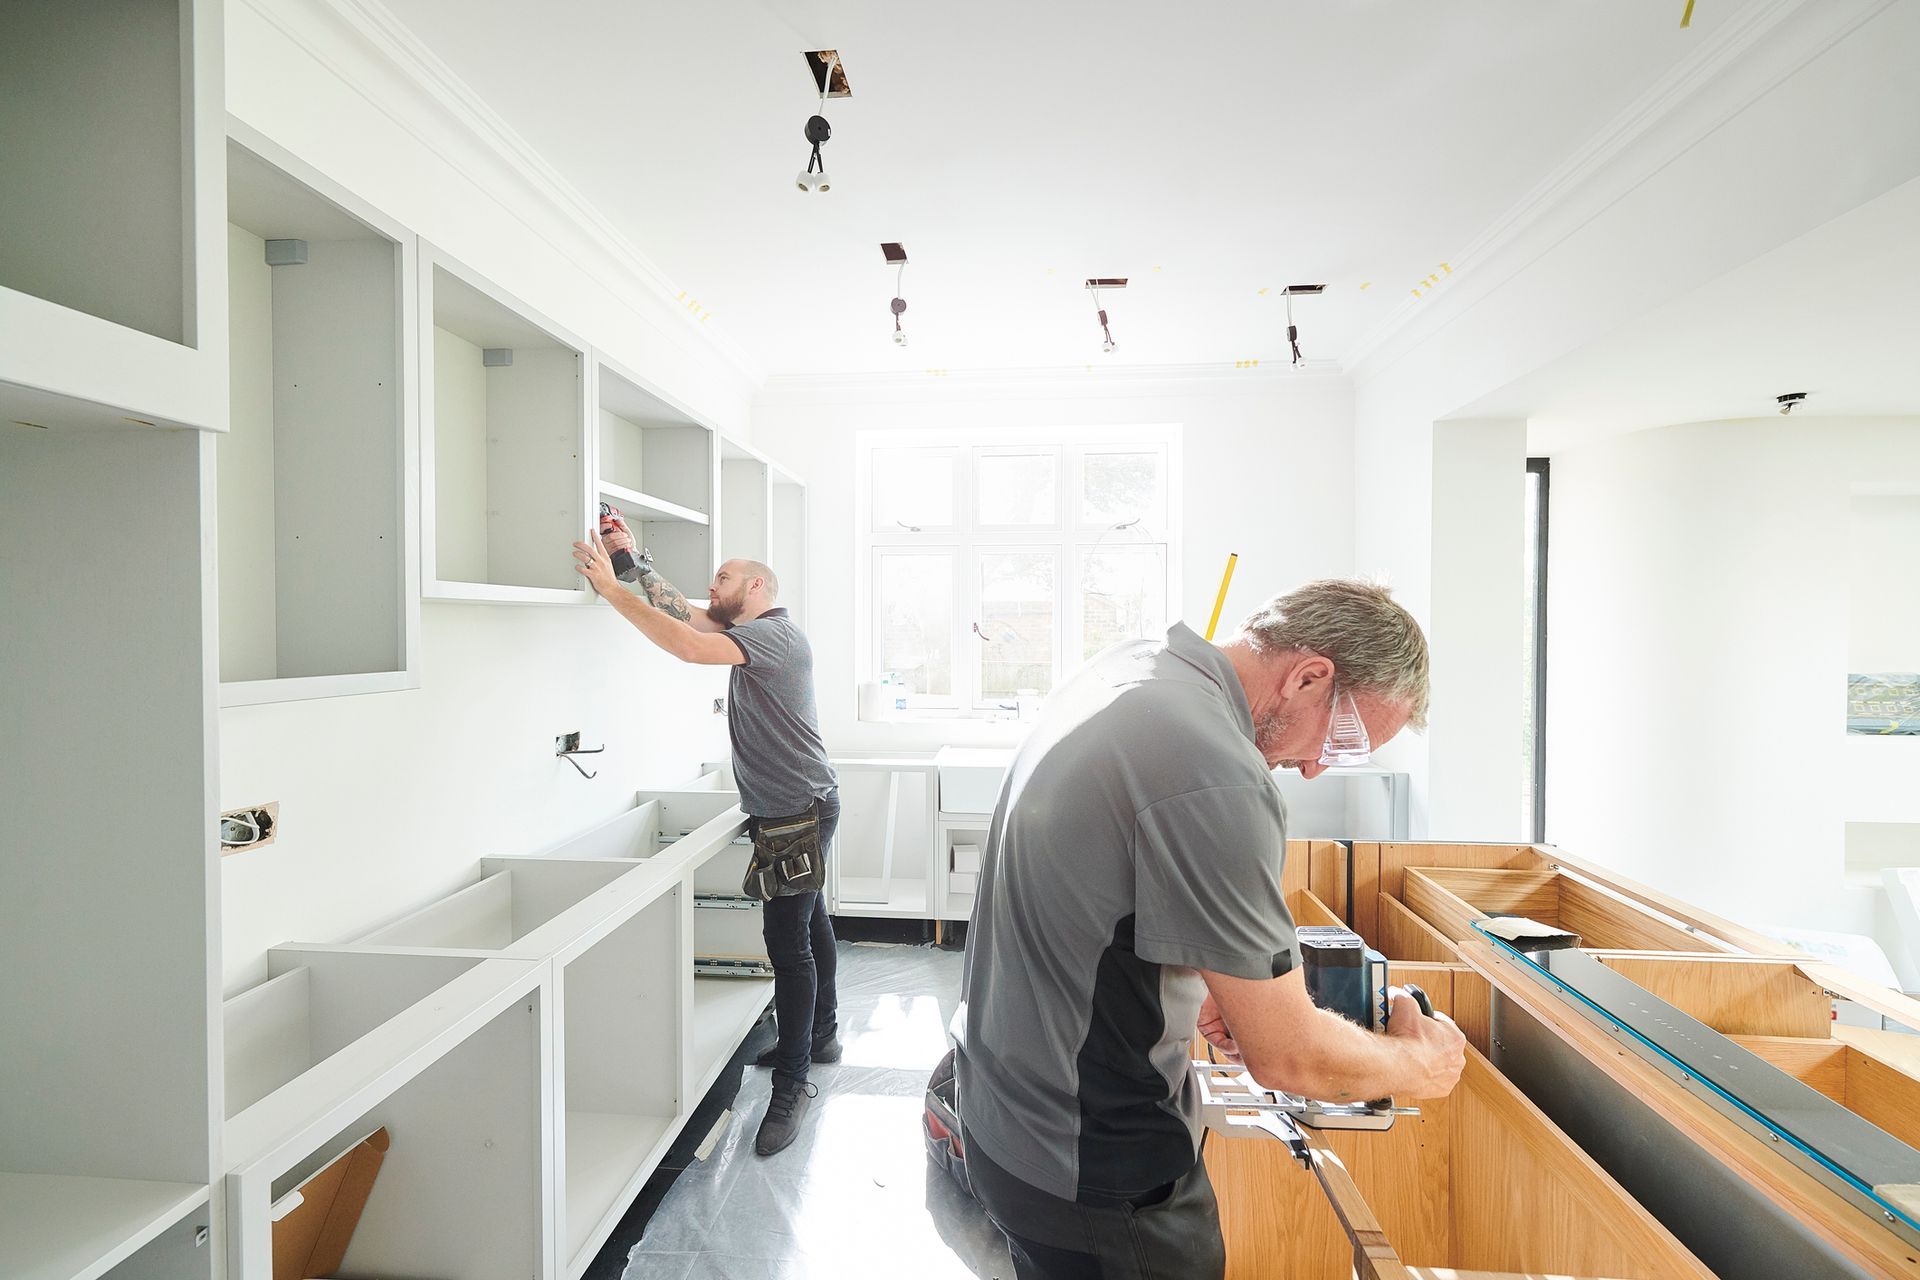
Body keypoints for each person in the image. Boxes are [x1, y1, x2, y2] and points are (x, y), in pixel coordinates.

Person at [956, 579, 1468, 1279]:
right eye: (1343, 739)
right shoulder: (1215, 773)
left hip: (1005, 1118)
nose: (1318, 769)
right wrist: (1422, 1064)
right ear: (1309, 676)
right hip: (1096, 1167)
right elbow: (1291, 1059)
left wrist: (1209, 987)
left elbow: (1093, 880)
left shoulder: (1133, 669)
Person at [574, 533, 841, 1157]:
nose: (711, 587)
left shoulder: (776, 636)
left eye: (722, 578)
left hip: (797, 812)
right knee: (812, 919)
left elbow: (690, 644)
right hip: (797, 805)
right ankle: (822, 1034)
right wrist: (634, 562)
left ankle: (793, 1083)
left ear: (756, 587)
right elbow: (687, 615)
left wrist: (611, 591)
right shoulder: (752, 633)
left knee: (788, 945)